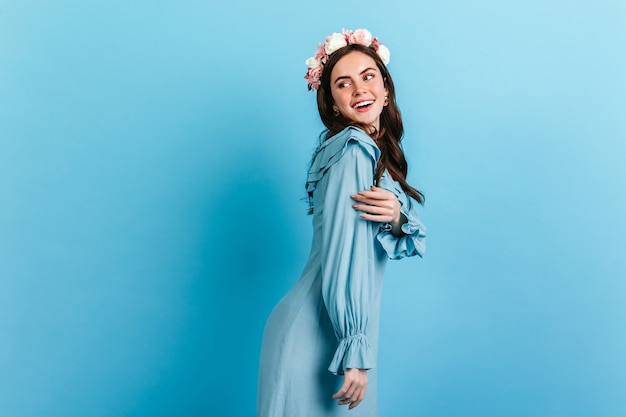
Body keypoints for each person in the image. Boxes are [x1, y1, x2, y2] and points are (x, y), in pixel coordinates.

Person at [256, 29, 426, 416]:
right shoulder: (353, 151)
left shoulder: (369, 153)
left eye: (368, 76)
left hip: (333, 333)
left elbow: (382, 232)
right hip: (326, 338)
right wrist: (354, 346)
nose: (359, 90)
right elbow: (343, 254)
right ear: (332, 103)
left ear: (385, 87)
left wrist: (398, 217)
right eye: (343, 83)